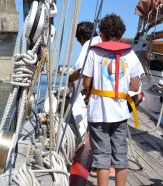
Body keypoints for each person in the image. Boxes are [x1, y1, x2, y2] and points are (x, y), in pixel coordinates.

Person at [82, 14, 144, 186]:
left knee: (102, 156)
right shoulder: (130, 53)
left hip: (98, 113)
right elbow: (134, 85)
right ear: (121, 33)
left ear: (102, 33)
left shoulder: (94, 52)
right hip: (120, 112)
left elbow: (86, 83)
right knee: (121, 155)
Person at [68, 21, 116, 178]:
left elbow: (82, 70)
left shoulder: (89, 44)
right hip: (114, 96)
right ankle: (112, 165)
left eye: (78, 40)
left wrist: (69, 79)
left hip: (98, 95)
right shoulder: (103, 44)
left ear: (82, 37)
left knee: (98, 130)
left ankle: (98, 166)